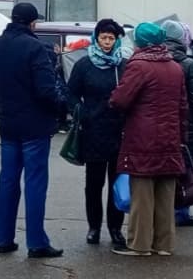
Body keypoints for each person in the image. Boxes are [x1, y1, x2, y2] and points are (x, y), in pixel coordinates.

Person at [0, 2, 64, 259]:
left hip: (8, 121)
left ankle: (3, 238)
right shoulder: (35, 47)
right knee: (35, 182)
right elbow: (46, 90)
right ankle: (36, 242)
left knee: (8, 179)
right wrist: (60, 108)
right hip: (35, 123)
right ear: (33, 23)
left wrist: (4, 102)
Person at [109, 22, 187, 257]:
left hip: (143, 138)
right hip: (170, 137)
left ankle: (139, 244)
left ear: (140, 42)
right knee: (165, 193)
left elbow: (120, 100)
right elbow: (183, 106)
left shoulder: (139, 65)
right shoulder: (175, 67)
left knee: (142, 192)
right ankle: (164, 244)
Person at [67, 18, 127, 249]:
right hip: (93, 131)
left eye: (111, 38)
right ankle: (94, 227)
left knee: (117, 183)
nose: (107, 42)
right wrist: (80, 112)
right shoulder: (84, 64)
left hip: (119, 131)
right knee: (94, 183)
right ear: (96, 38)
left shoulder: (123, 65)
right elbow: (71, 93)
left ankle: (115, 228)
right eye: (103, 37)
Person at [164, 20, 193, 229]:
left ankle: (166, 210)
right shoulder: (191, 62)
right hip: (189, 123)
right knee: (188, 168)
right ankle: (182, 210)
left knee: (168, 168)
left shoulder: (157, 59)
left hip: (164, 123)